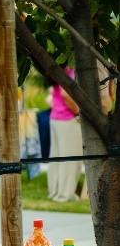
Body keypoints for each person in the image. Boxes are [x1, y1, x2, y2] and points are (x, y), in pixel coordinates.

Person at [47, 66, 82, 202]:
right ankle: (65, 194)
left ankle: (55, 192)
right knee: (70, 159)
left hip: (56, 118)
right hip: (68, 119)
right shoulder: (71, 72)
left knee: (56, 158)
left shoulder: (59, 70)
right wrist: (78, 112)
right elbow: (66, 94)